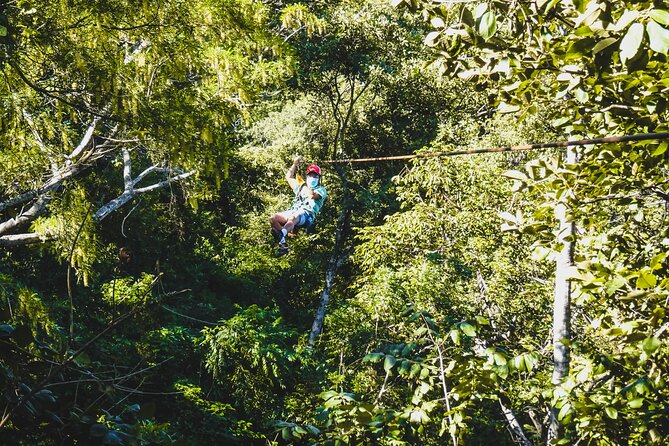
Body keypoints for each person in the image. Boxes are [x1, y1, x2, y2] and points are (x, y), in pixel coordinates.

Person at [269, 157, 327, 256]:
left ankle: (281, 234)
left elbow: (312, 195)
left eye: (315, 176)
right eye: (310, 175)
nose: (312, 178)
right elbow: (288, 177)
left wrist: (303, 184)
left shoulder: (321, 189)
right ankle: (283, 244)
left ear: (318, 178)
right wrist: (294, 164)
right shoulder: (300, 188)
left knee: (293, 217)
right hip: (294, 210)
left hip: (307, 215)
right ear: (307, 176)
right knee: (273, 219)